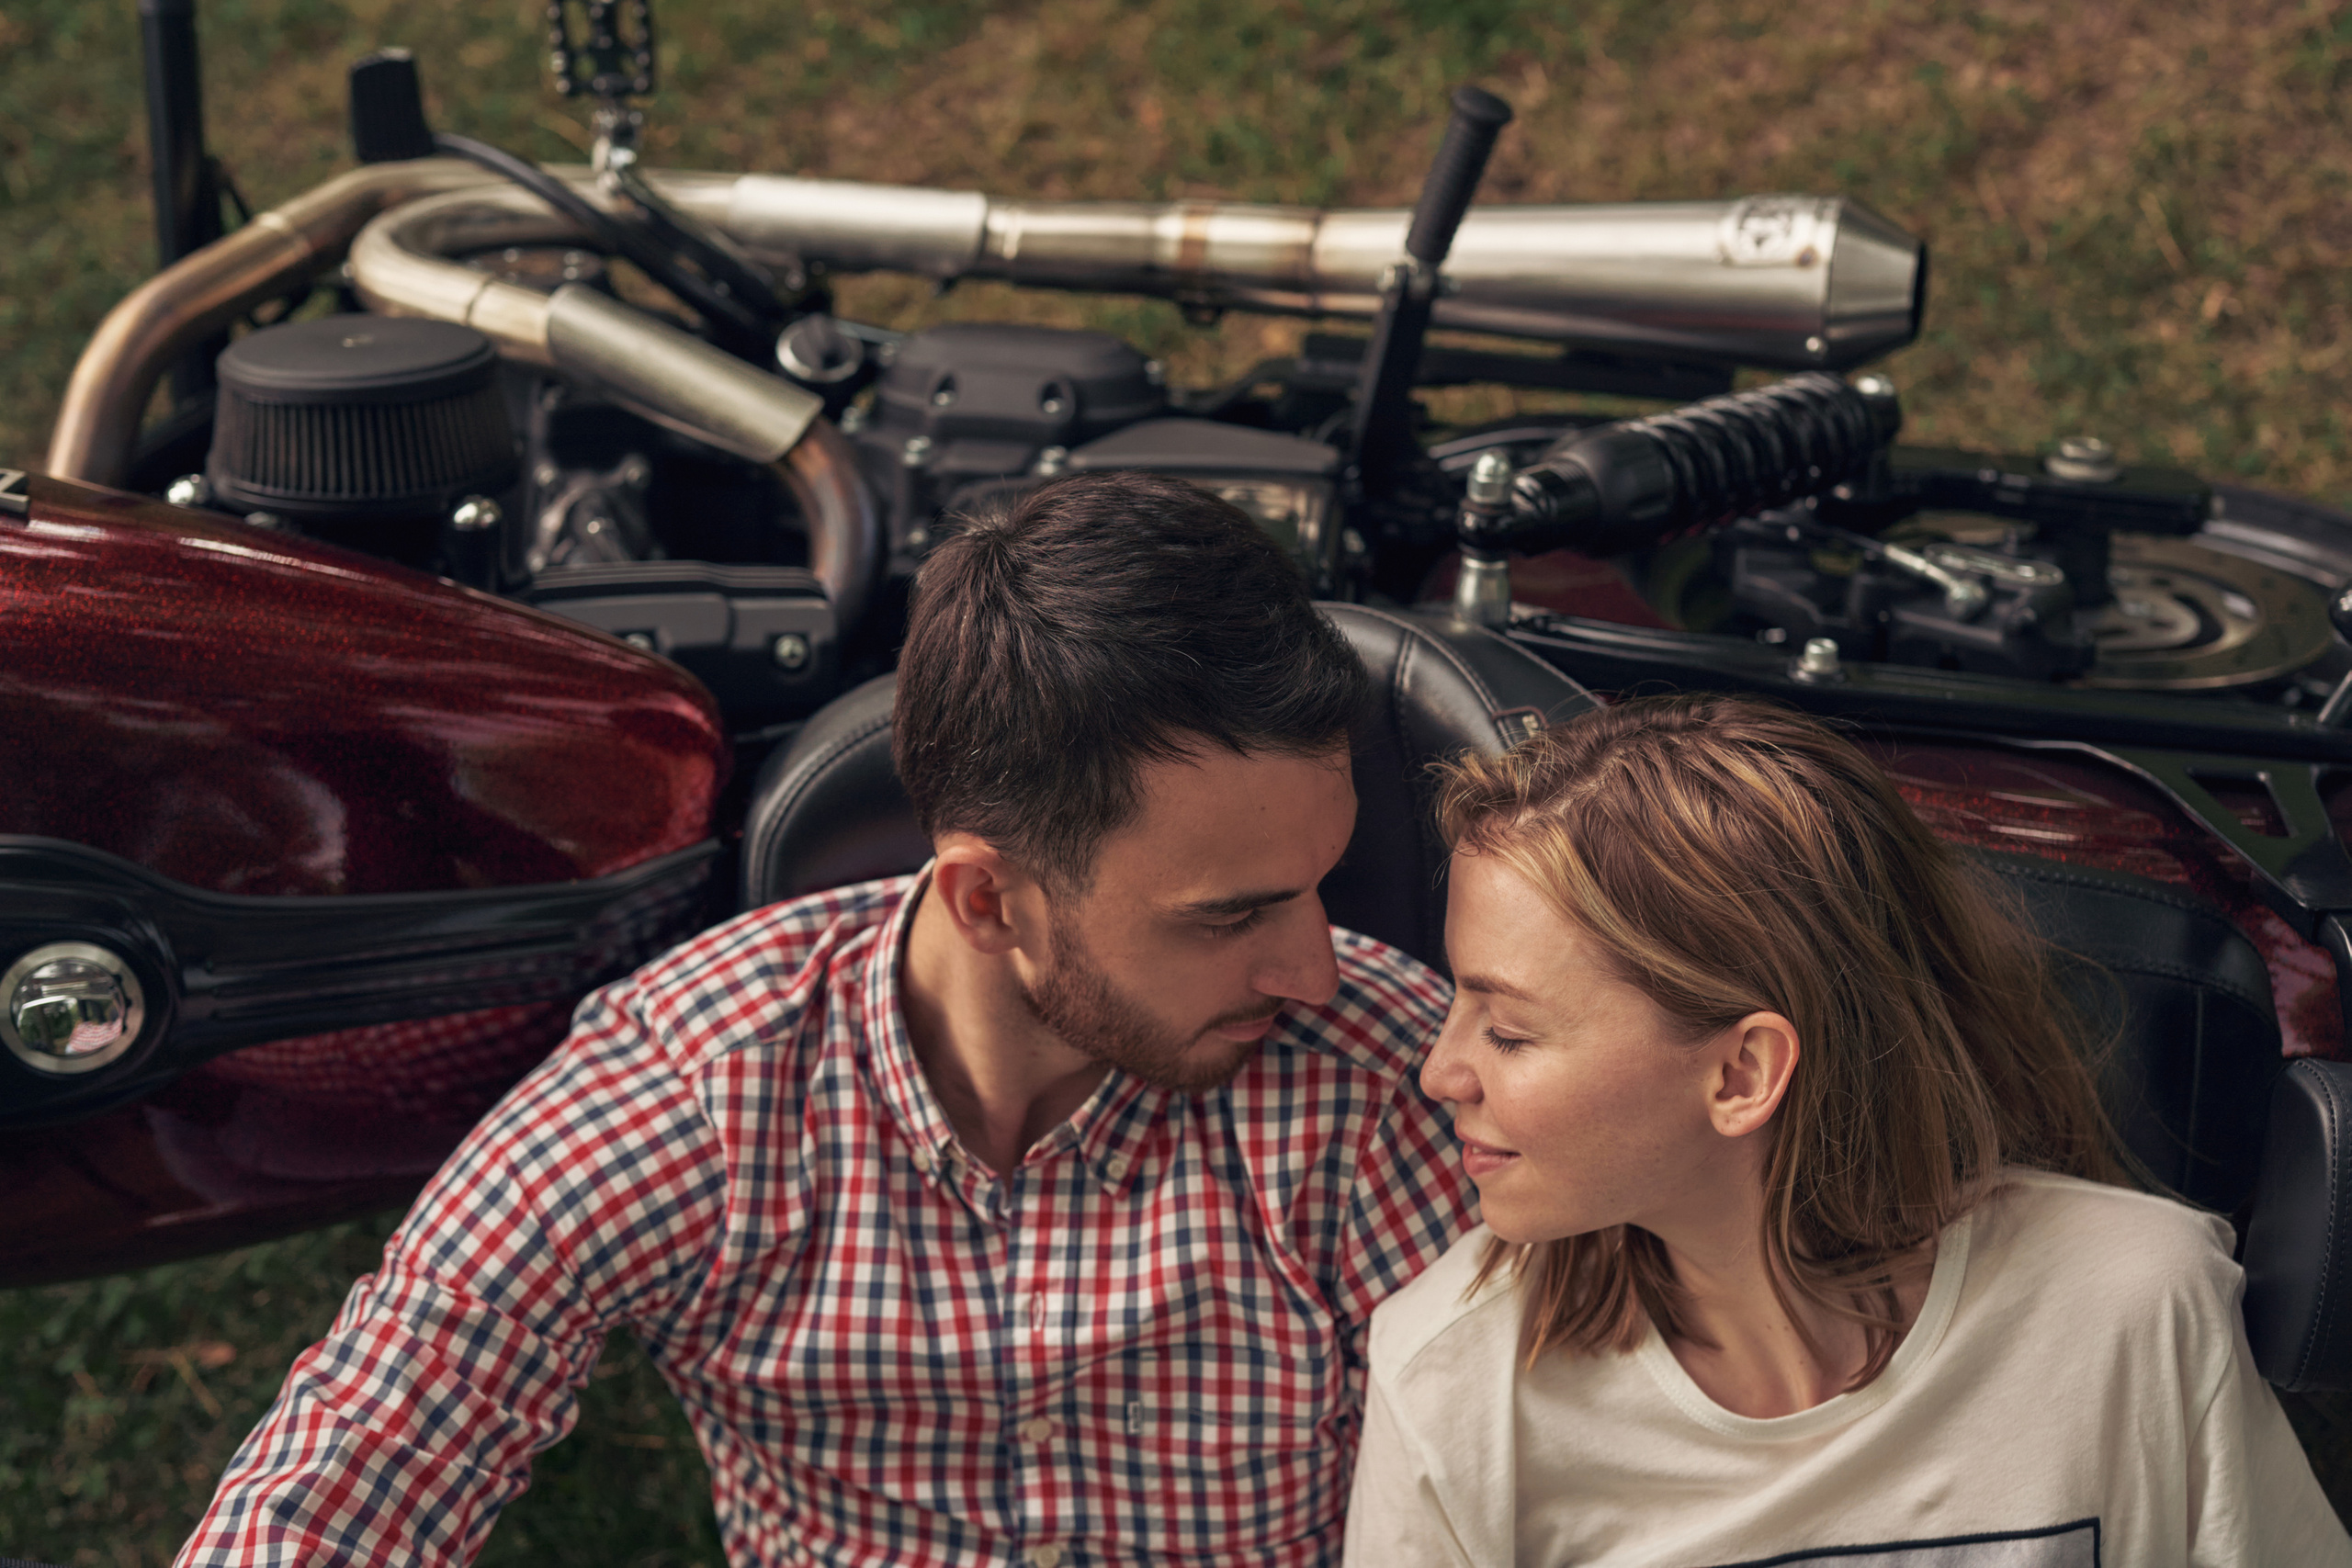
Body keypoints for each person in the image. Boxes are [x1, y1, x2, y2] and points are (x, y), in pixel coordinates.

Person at [178, 471, 1476, 1567]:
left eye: (1320, 883)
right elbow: (384, 1430)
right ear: (987, 899)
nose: (1315, 968)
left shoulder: (1377, 1085)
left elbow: (1553, 1479)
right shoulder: (700, 1092)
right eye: (1228, 915)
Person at [1345, 694, 2351, 1567]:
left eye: (1510, 1031)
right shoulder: (1453, 1384)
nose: (1440, 1072)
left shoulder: (2137, 1307)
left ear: (1742, 1074)